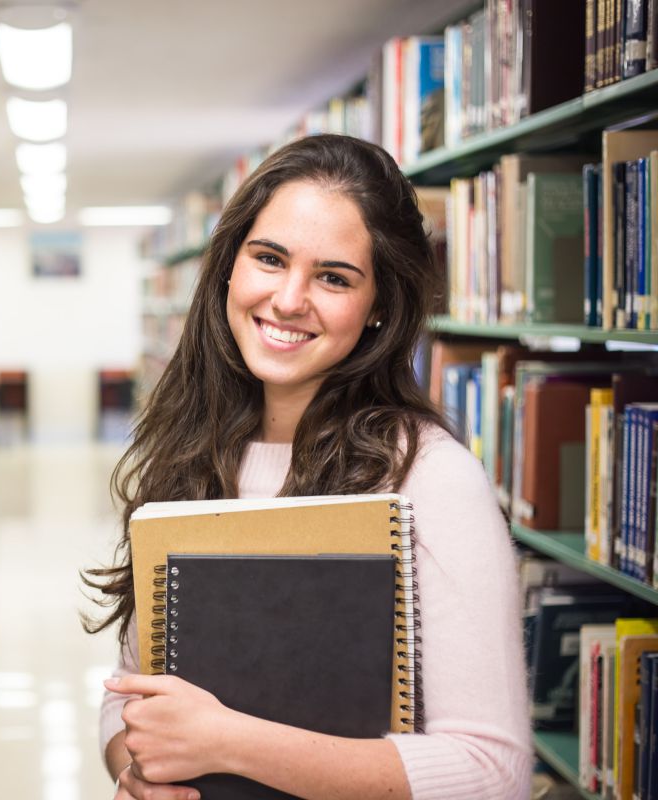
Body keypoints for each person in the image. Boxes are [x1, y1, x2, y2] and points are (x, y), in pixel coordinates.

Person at [83, 134, 531, 800]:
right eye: (269, 259)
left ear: (379, 305)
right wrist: (135, 768)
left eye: (333, 277)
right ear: (230, 267)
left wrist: (225, 741)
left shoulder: (429, 478)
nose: (289, 299)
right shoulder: (190, 451)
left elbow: (493, 773)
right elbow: (131, 701)